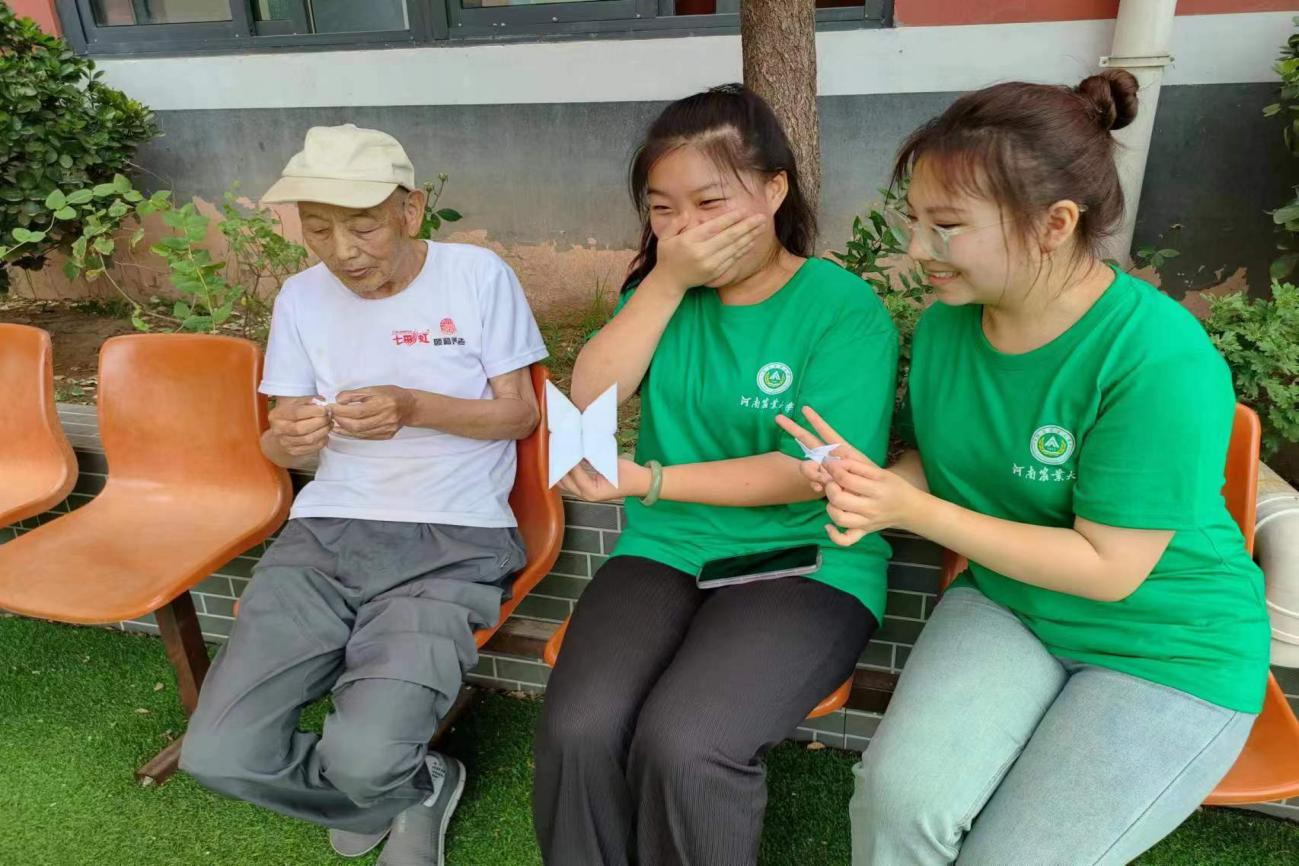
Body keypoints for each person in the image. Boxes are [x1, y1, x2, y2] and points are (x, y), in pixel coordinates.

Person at [780, 71, 1271, 866]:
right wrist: (880, 486)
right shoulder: (947, 327)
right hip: (1011, 606)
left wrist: (915, 513)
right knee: (899, 804)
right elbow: (942, 459)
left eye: (946, 225)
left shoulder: (1156, 358)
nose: (916, 250)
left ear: (1054, 223)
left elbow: (1109, 568)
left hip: (1169, 646)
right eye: (914, 221)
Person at [532, 84, 897, 866]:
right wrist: (664, 284)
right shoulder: (661, 297)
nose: (685, 230)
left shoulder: (843, 310)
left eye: (708, 203)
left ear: (774, 190)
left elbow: (811, 471)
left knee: (687, 742)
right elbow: (589, 401)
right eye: (663, 210)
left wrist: (647, 481)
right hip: (667, 548)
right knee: (578, 727)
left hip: (806, 559)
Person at [180, 124, 548, 866]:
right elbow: (278, 442)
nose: (343, 250)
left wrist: (415, 406)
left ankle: (389, 781)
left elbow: (520, 416)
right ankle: (394, 789)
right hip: (323, 535)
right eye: (318, 229)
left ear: (410, 210)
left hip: (454, 539)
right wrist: (288, 440)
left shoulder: (476, 276)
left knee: (364, 756)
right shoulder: (300, 298)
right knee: (217, 755)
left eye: (363, 225)